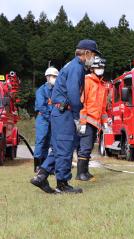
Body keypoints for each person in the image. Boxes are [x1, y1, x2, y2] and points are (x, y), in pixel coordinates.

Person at [30, 39, 101, 194]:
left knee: (57, 147)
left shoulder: (72, 65)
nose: (94, 58)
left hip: (59, 112)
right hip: (65, 112)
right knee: (65, 147)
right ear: (86, 53)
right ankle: (62, 184)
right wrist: (77, 116)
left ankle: (41, 176)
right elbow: (74, 93)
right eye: (93, 55)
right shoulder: (77, 67)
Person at [76, 56, 109, 181]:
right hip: (87, 121)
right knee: (85, 147)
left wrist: (105, 122)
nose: (101, 69)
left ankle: (86, 172)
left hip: (96, 122)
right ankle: (80, 174)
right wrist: (83, 122)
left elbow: (103, 107)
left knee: (89, 147)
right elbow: (82, 102)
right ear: (92, 68)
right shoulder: (87, 81)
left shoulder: (103, 85)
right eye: (98, 67)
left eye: (102, 67)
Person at [33, 67, 58, 172]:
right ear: (47, 77)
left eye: (56, 77)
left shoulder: (56, 90)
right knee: (41, 141)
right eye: (53, 76)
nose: (55, 79)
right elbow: (41, 106)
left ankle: (44, 166)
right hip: (43, 118)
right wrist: (50, 116)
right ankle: (37, 166)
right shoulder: (41, 90)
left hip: (51, 118)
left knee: (48, 143)